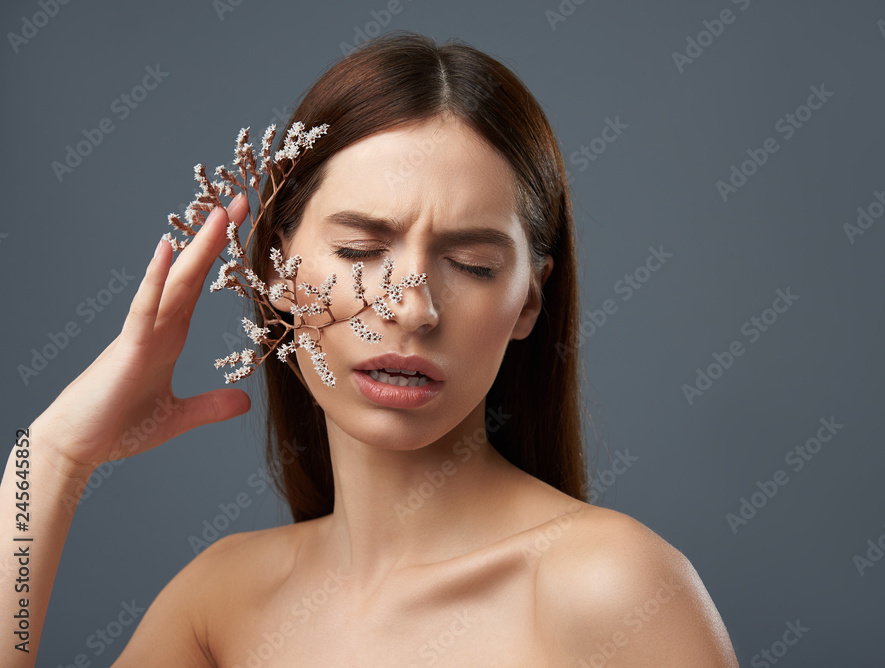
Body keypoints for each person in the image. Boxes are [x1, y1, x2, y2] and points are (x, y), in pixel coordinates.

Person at [2, 31, 738, 666]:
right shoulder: (222, 599)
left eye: (474, 265)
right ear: (278, 272)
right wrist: (53, 458)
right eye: (359, 249)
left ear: (528, 302)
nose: (412, 308)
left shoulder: (610, 588)